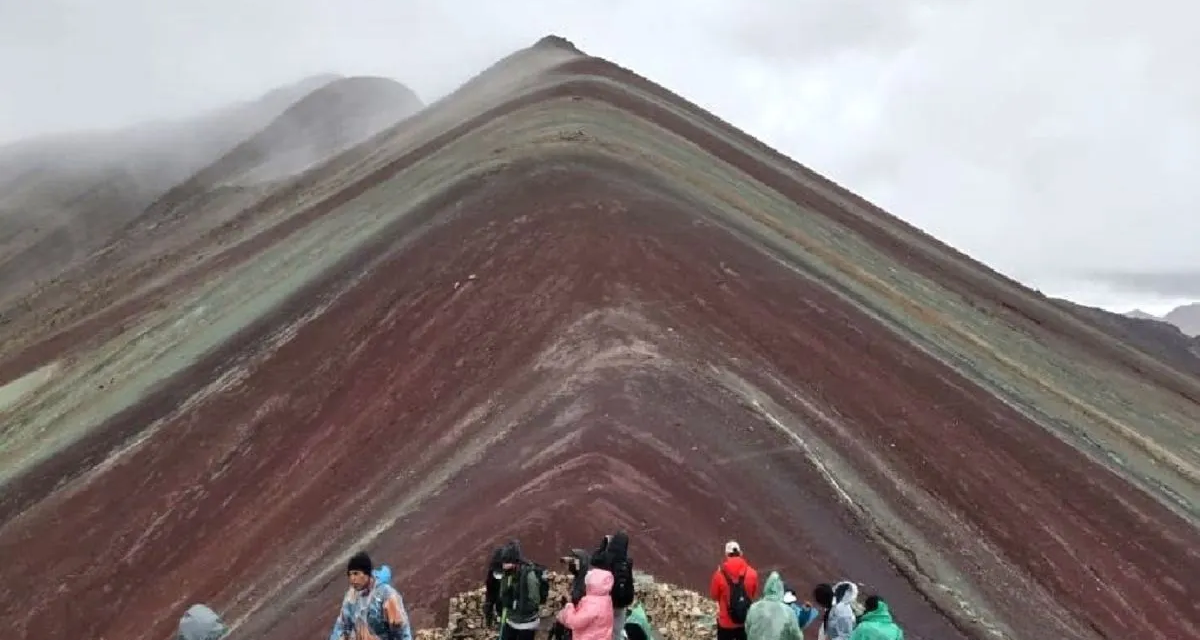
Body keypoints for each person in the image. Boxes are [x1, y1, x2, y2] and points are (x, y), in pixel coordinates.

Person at [329, 551, 412, 640]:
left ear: (367, 573)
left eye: (356, 573)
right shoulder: (351, 596)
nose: (352, 579)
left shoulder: (386, 594)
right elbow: (342, 626)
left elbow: (401, 629)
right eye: (350, 574)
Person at [709, 540, 760, 640]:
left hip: (725, 624)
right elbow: (752, 594)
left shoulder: (719, 575)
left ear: (727, 554)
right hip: (744, 621)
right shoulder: (752, 573)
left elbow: (714, 596)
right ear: (740, 553)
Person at [495, 540, 545, 640]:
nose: (504, 566)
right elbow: (503, 593)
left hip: (526, 624)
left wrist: (517, 604)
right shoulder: (507, 574)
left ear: (515, 562)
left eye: (507, 563)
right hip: (511, 620)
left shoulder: (529, 575)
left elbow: (534, 601)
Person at [590, 531, 635, 640]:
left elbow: (594, 559)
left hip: (605, 601)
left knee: (600, 631)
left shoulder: (605, 557)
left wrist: (604, 544)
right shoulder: (627, 561)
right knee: (616, 632)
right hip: (621, 603)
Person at [556, 563, 615, 640]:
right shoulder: (606, 600)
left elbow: (574, 622)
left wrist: (569, 607)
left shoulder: (593, 604)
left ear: (592, 584)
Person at [744, 572, 802, 640]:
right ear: (781, 590)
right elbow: (797, 636)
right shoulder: (788, 612)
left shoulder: (754, 608)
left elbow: (747, 628)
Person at [484, 546, 506, 628]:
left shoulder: (514, 574)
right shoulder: (492, 573)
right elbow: (490, 591)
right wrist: (488, 606)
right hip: (499, 603)